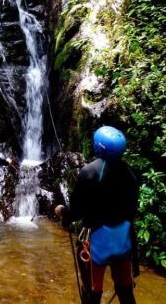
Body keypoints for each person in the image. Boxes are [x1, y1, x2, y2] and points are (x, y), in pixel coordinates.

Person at [55, 126, 139, 304]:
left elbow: (76, 212)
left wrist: (62, 211)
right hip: (123, 238)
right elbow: (132, 209)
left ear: (98, 147)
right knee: (124, 288)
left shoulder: (88, 172)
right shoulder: (129, 173)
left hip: (95, 239)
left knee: (93, 289)